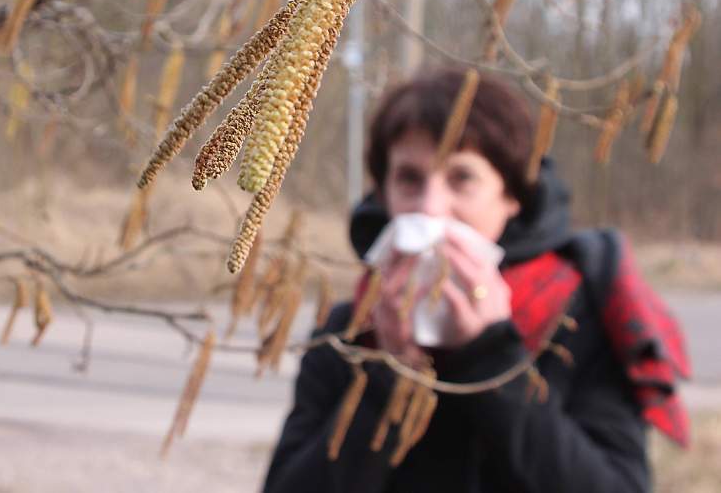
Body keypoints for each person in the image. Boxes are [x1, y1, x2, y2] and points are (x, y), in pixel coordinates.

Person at [262, 69, 690, 493]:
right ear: (384, 191)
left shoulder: (575, 323)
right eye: (410, 179)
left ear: (512, 197)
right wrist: (390, 370)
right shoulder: (349, 331)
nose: (430, 210)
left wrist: (492, 354)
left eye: (461, 178)